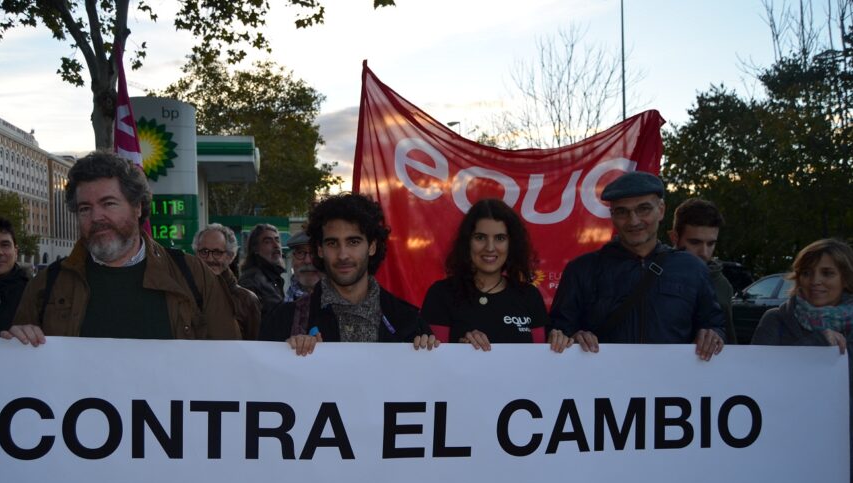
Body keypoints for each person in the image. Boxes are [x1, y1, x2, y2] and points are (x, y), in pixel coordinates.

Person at [3, 151, 240, 345]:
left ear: (137, 207)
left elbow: (229, 359)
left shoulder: (193, 275)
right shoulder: (48, 284)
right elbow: (22, 375)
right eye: (85, 208)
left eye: (108, 204)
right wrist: (20, 341)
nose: (96, 217)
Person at [750, 238, 853, 483]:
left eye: (827, 273)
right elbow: (759, 390)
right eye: (807, 272)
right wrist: (814, 347)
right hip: (789, 481)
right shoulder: (776, 321)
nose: (815, 281)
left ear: (845, 277)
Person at [549, 171, 726, 360]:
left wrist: (714, 335)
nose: (633, 221)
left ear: (661, 210)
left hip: (673, 386)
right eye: (622, 212)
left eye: (643, 209)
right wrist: (573, 339)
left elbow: (715, 324)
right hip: (603, 386)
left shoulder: (693, 269)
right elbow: (558, 332)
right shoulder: (582, 270)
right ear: (612, 216)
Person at [260, 193, 438, 354]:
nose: (343, 255)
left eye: (353, 242)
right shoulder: (285, 320)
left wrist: (427, 354)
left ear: (372, 246)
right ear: (320, 250)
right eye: (332, 243)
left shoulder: (409, 322)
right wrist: (287, 355)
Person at [421, 198, 571, 352]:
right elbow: (435, 362)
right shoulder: (441, 294)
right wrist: (461, 352)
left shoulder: (529, 296)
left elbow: (539, 362)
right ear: (467, 242)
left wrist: (559, 342)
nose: (490, 247)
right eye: (480, 237)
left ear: (511, 244)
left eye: (500, 238)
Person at [670, 198, 737, 343]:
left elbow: (729, 338)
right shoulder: (657, 272)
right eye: (695, 242)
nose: (704, 252)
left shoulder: (721, 284)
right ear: (674, 237)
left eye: (711, 243)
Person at [193, 223, 261, 339]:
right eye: (204, 252)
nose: (209, 258)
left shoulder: (246, 300)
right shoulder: (185, 293)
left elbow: (254, 348)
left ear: (230, 256)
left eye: (217, 252)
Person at [239, 223, 285, 316]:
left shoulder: (273, 277)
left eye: (277, 240)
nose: (276, 245)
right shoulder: (251, 280)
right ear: (255, 248)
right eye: (268, 242)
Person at [284, 230, 321, 302]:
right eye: (300, 253)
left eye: (314, 253)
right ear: (292, 259)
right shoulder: (282, 306)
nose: (307, 261)